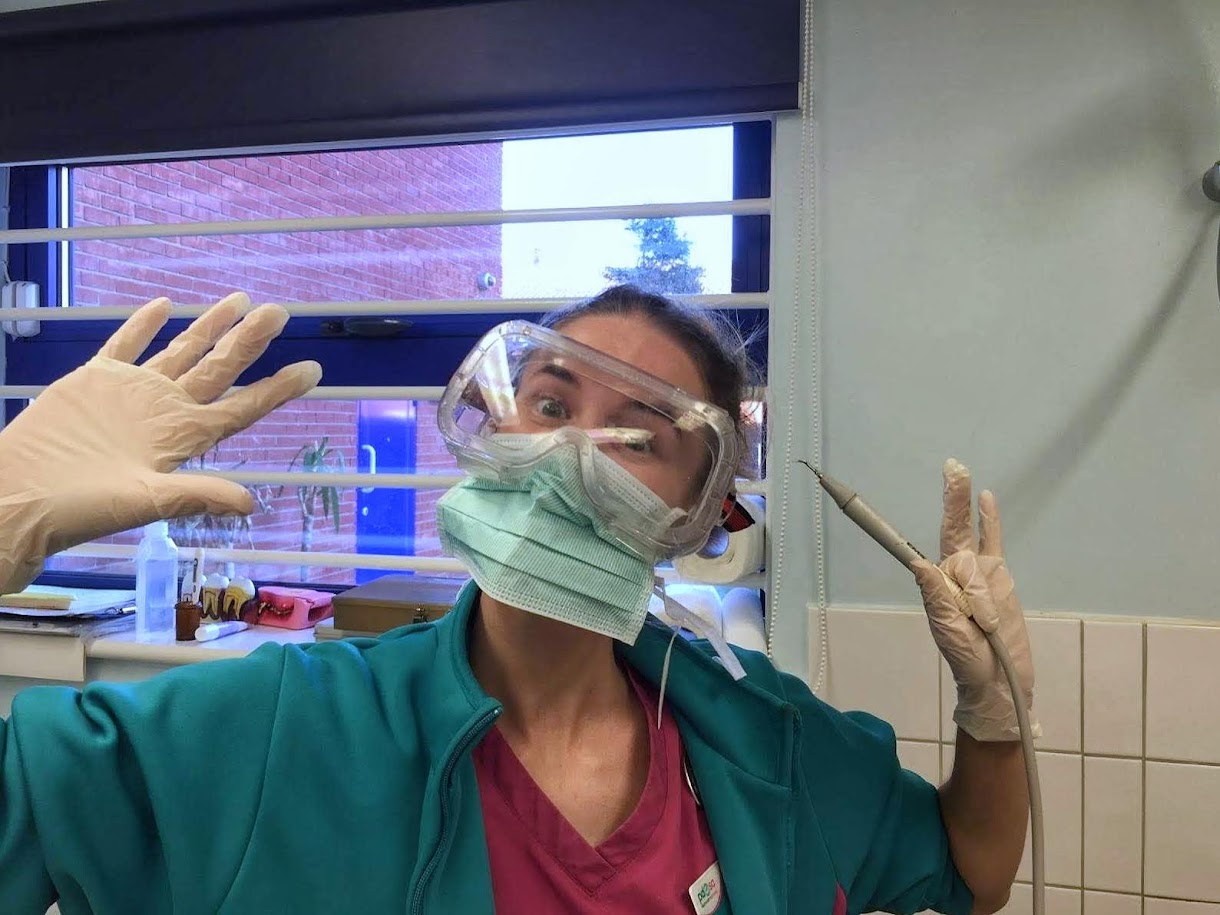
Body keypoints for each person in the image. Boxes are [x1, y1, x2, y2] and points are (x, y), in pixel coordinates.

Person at [0, 285, 1036, 915]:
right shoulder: (277, 727)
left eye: (638, 437)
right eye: (546, 402)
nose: (567, 453)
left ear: (702, 513)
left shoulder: (770, 746)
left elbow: (970, 871)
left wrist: (992, 716)